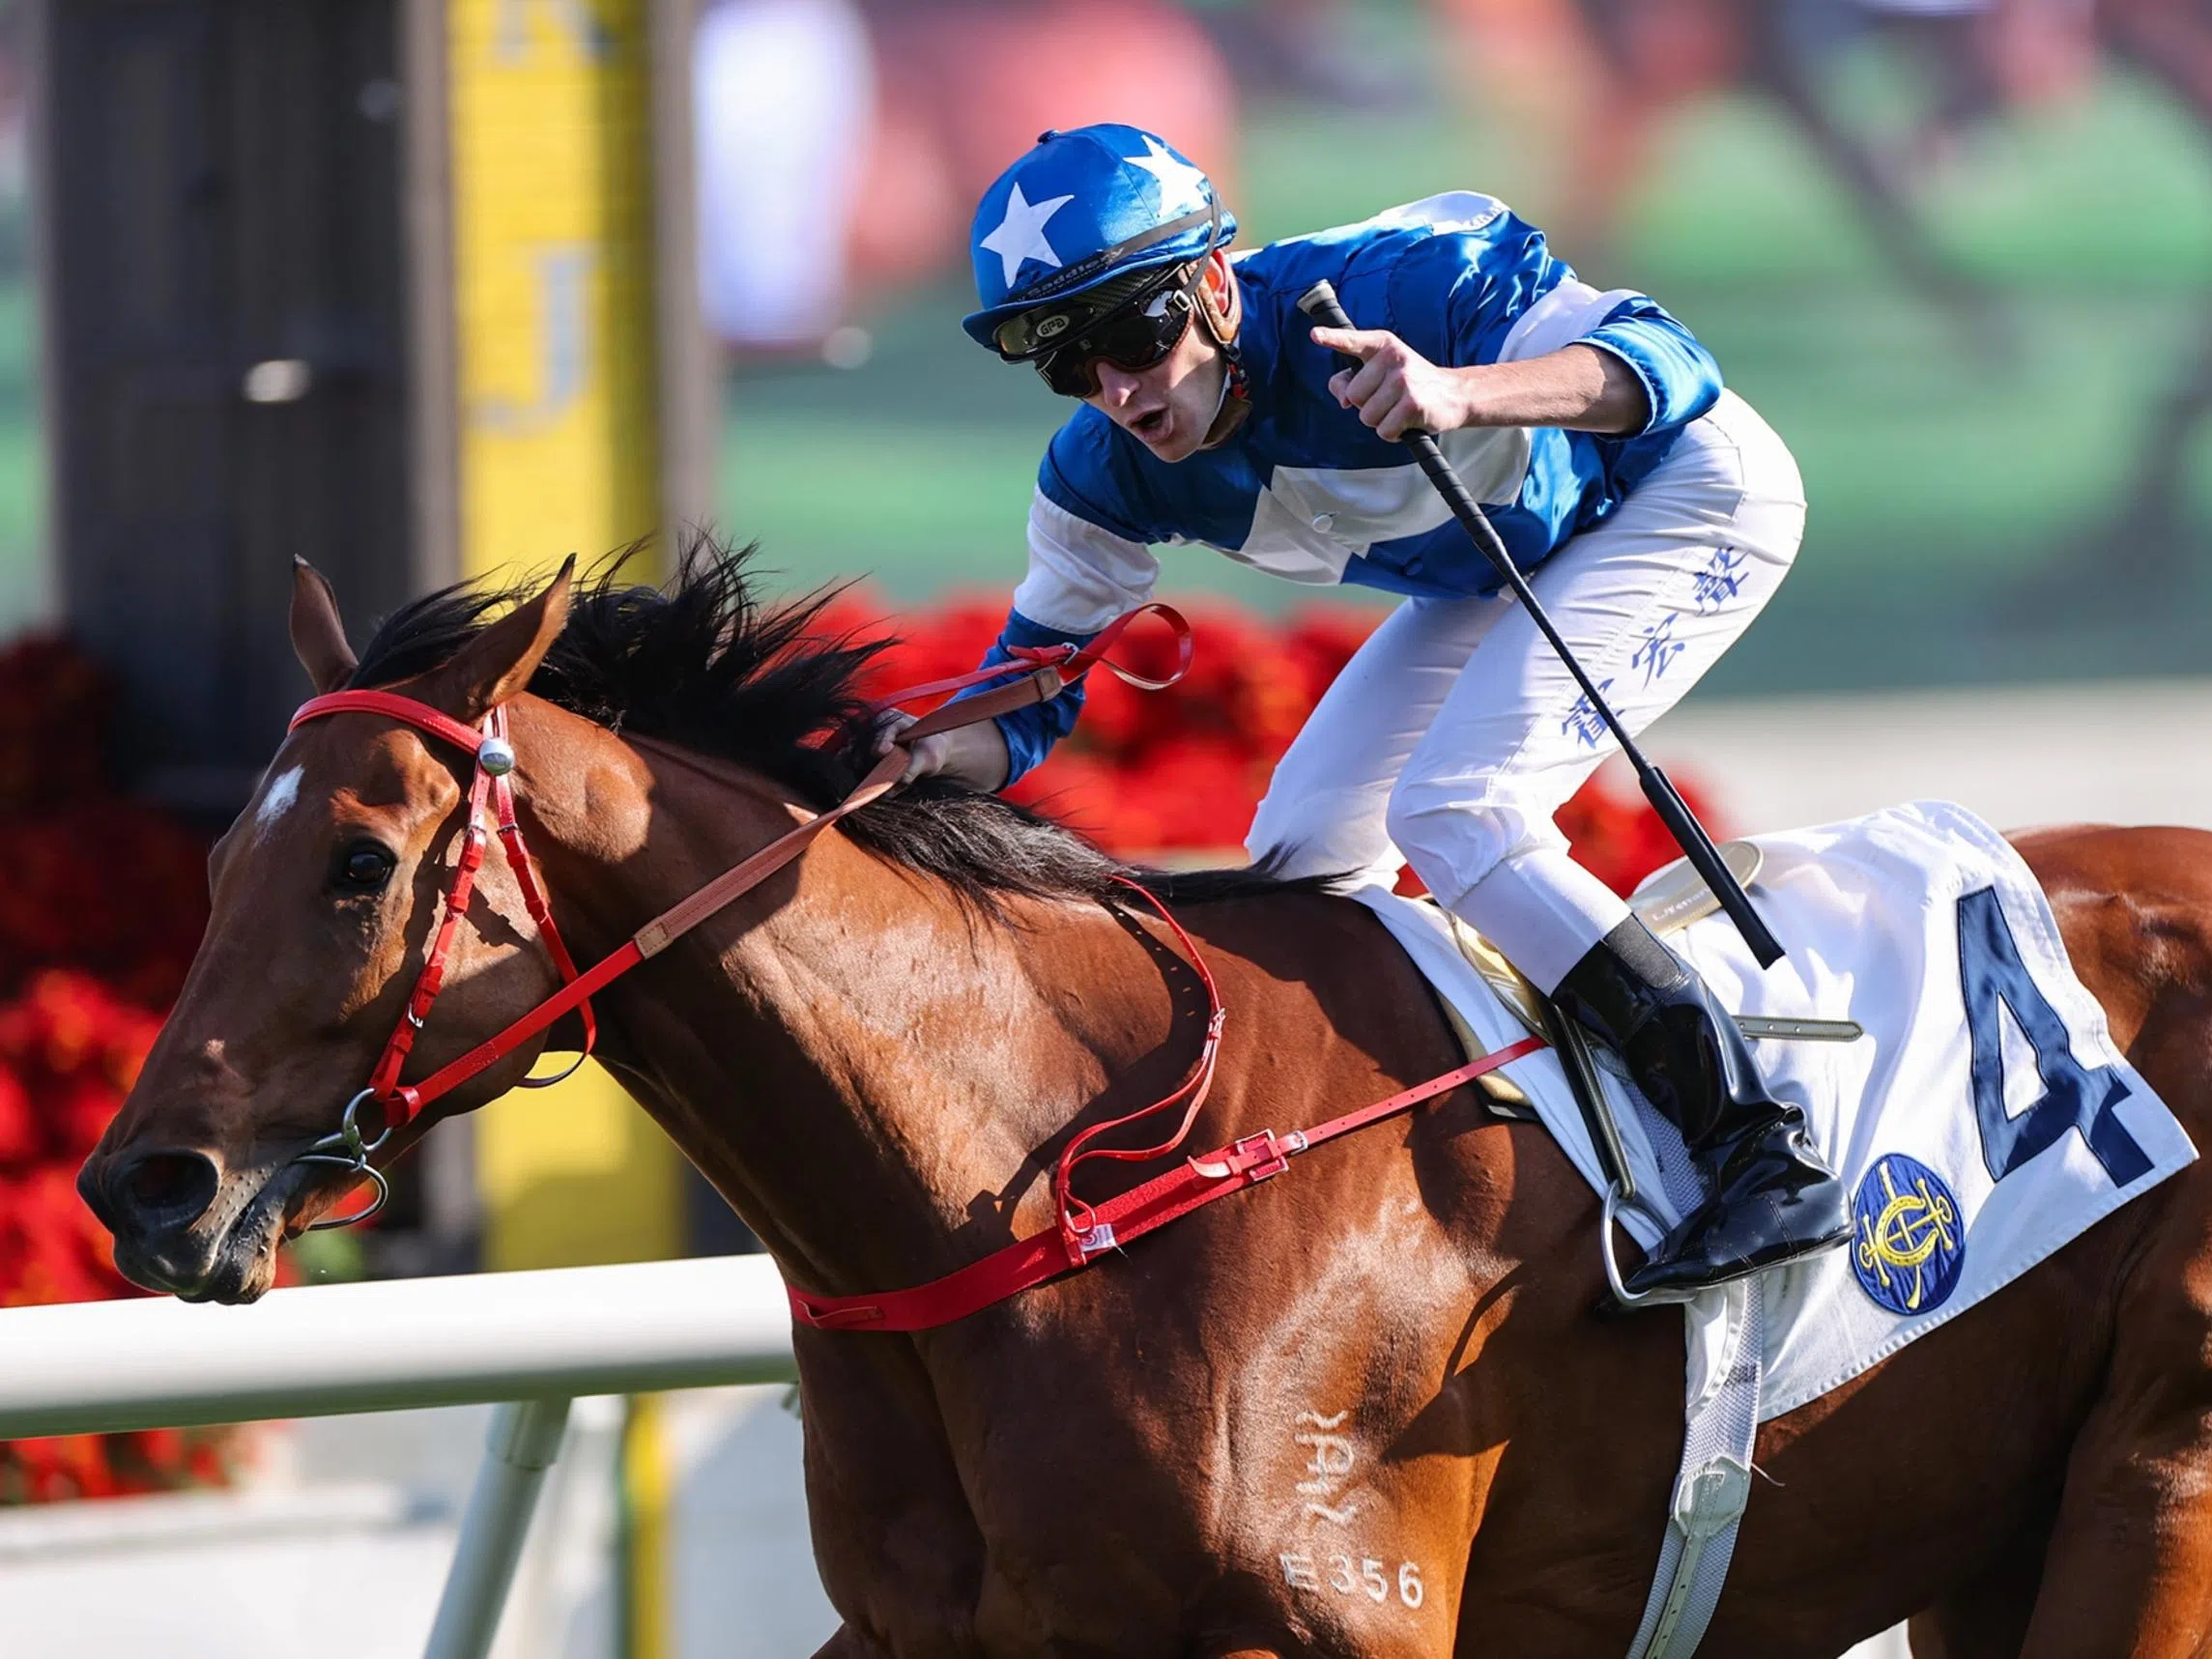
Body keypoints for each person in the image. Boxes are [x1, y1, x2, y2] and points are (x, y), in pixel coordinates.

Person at [889, 122, 1847, 1299]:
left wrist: (1464, 391)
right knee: (1301, 865)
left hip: (1685, 490)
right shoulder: (1103, 473)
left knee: (1464, 811)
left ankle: (1757, 1146)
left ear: (1217, 285)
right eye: (1068, 364)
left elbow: (1672, 360)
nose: (1118, 391)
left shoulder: (1407, 284)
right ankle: (1454, 1150)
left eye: (1134, 336)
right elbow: (1025, 704)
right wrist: (919, 753)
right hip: (1501, 565)